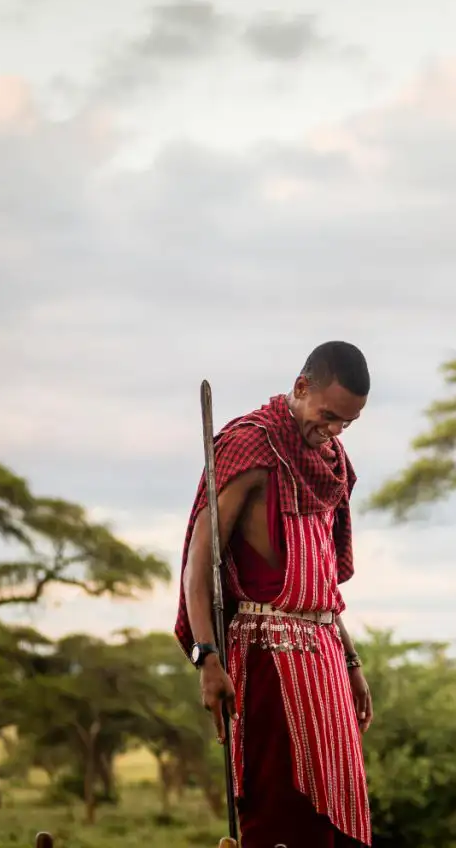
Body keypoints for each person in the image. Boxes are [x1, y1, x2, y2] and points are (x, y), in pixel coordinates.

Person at [175, 341, 374, 848]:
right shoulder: (251, 447)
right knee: (280, 815)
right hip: (267, 660)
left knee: (336, 823)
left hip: (326, 659)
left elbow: (319, 584)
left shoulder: (328, 460)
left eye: (346, 423)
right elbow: (200, 566)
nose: (333, 431)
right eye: (328, 416)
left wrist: (350, 660)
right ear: (301, 387)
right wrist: (207, 657)